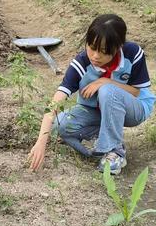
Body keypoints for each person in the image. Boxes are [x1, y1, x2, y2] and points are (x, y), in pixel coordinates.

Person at [29, 14, 155, 175]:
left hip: (134, 109)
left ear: (118, 47)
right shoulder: (82, 63)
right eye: (92, 47)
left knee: (107, 91)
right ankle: (102, 140)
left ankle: (114, 150)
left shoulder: (133, 53)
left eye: (103, 51)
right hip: (96, 111)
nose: (95, 56)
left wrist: (105, 82)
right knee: (59, 125)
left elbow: (136, 91)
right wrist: (41, 142)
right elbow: (57, 99)